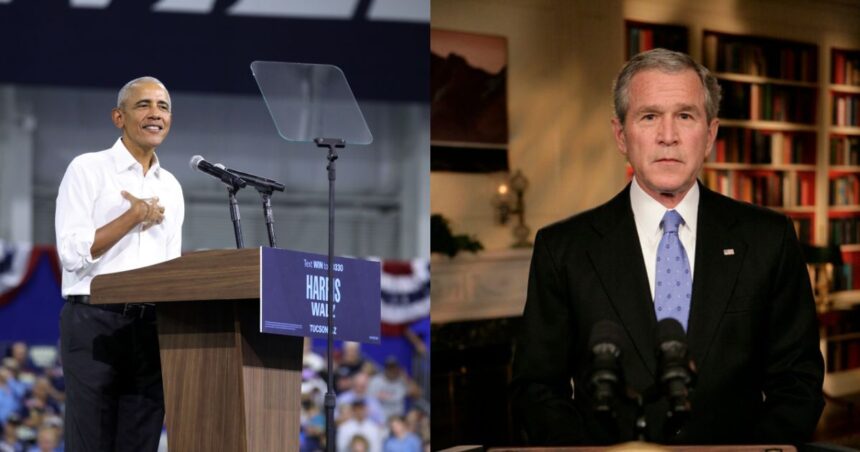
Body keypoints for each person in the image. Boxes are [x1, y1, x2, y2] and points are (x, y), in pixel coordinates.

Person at [511, 48, 824, 445]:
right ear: (621, 136)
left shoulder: (769, 238)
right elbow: (537, 390)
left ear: (709, 134)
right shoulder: (563, 249)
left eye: (685, 116)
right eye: (649, 116)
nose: (668, 136)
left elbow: (798, 381)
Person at [55, 76, 184, 452]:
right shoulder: (87, 170)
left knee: (140, 443)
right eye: (143, 105)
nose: (155, 114)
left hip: (151, 330)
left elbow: (171, 270)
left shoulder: (172, 187)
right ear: (118, 117)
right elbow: (72, 253)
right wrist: (134, 216)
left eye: (163, 106)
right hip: (95, 323)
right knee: (90, 442)